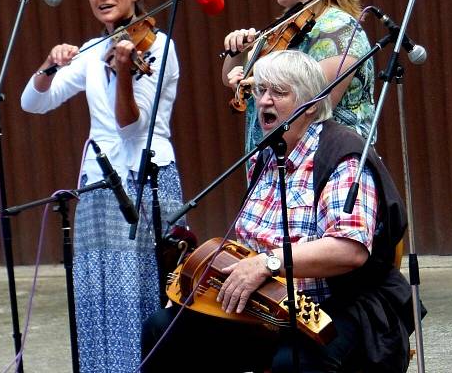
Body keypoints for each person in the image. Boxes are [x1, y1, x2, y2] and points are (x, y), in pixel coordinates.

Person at [142, 50, 413, 372]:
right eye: (261, 91)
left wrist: (268, 262)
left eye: (279, 92)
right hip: (266, 305)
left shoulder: (341, 156)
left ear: (312, 104)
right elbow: (247, 242)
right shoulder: (267, 157)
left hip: (336, 304)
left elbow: (348, 250)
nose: (264, 101)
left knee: (292, 363)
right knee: (165, 329)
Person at [20, 0, 184, 373]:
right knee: (98, 295)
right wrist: (49, 64)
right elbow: (34, 102)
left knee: (139, 293)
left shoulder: (160, 47)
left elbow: (131, 128)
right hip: (97, 185)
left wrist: (125, 74)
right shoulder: (95, 50)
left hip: (145, 182)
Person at [222, 0, 375, 153]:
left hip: (327, 169)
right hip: (281, 170)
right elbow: (229, 79)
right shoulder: (286, 25)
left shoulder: (338, 29)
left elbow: (310, 102)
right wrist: (238, 52)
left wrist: (256, 82)